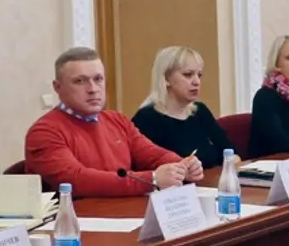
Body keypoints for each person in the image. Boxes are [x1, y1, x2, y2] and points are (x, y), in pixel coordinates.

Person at [25, 47, 202, 197]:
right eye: (80, 81)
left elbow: (152, 155)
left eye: (98, 79)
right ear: (58, 87)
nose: (93, 89)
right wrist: (153, 179)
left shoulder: (116, 120)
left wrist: (182, 165)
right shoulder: (44, 132)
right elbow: (76, 181)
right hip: (78, 220)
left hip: (124, 213)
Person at [131, 46, 235, 169]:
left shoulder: (200, 111)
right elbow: (142, 170)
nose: (196, 82)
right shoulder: (146, 119)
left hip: (212, 180)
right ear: (166, 78)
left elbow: (231, 153)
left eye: (199, 75)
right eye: (188, 74)